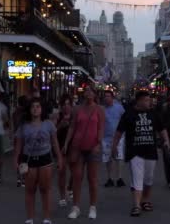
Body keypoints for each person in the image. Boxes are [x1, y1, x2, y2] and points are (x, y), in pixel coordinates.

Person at [112, 90, 169, 217]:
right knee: (137, 178)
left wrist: (166, 141)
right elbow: (119, 132)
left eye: (150, 100)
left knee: (148, 178)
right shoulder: (129, 114)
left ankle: (146, 200)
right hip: (135, 151)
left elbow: (162, 129)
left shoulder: (154, 114)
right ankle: (136, 205)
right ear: (139, 101)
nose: (150, 102)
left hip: (150, 150)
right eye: (147, 100)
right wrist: (114, 146)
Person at [14, 99, 62, 224]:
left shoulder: (49, 124)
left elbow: (55, 143)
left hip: (45, 158)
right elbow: (19, 144)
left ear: (42, 109)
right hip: (29, 160)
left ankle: (47, 217)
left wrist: (60, 158)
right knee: (30, 189)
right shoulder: (24, 126)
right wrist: (16, 159)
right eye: (33, 107)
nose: (35, 109)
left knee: (45, 189)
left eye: (38, 106)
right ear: (29, 110)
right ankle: (30, 218)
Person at [63, 86, 104, 220]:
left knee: (92, 179)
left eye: (91, 92)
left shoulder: (99, 110)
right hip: (77, 147)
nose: (88, 94)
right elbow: (72, 127)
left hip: (93, 148)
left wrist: (98, 143)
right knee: (77, 178)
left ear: (95, 94)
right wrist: (66, 144)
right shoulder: (77, 109)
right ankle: (76, 207)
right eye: (86, 91)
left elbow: (101, 128)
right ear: (83, 94)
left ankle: (93, 207)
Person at [51, 94, 73, 206]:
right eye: (64, 104)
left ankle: (70, 187)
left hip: (73, 147)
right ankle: (62, 197)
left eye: (68, 104)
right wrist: (60, 125)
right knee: (62, 172)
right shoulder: (57, 116)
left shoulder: (74, 116)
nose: (66, 107)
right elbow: (52, 131)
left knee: (75, 172)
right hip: (60, 146)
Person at [102, 90, 126, 188]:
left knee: (119, 157)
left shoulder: (119, 108)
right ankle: (110, 178)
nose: (106, 98)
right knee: (108, 158)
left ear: (112, 98)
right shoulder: (102, 110)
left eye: (108, 96)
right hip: (106, 137)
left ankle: (119, 178)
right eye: (105, 96)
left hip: (119, 136)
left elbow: (124, 119)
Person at [13, 96, 29, 187]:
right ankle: (23, 178)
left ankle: (19, 178)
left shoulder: (15, 112)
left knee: (19, 157)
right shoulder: (26, 113)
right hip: (25, 136)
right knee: (24, 157)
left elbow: (14, 123)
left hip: (17, 135)